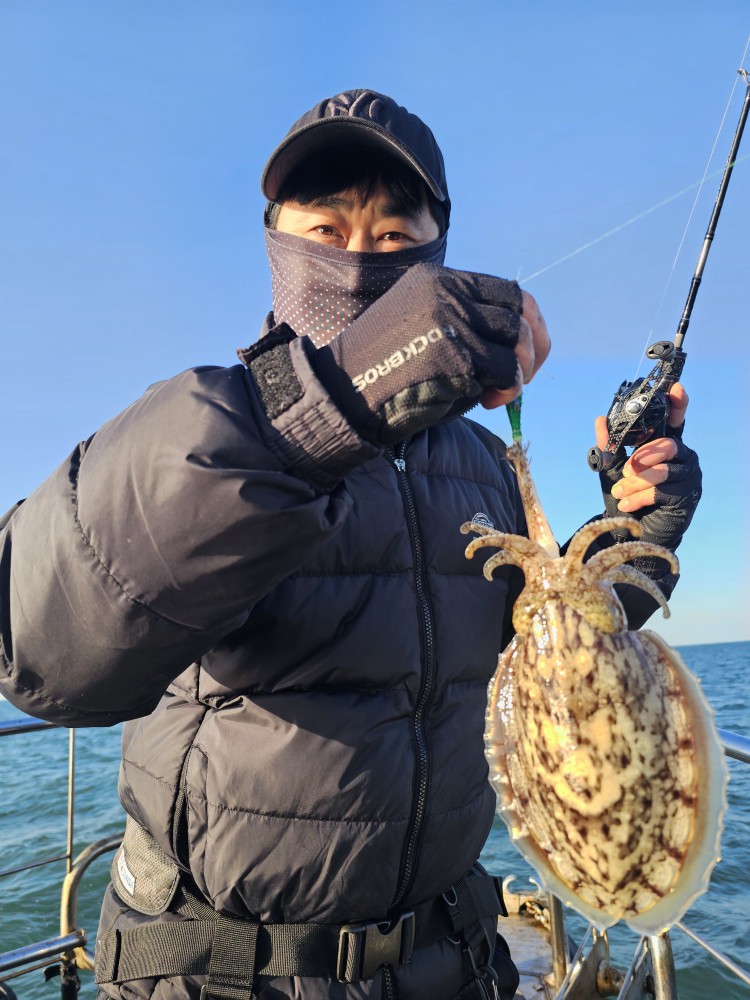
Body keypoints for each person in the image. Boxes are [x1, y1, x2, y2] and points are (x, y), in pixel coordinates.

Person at [0, 89, 701, 1000]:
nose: (360, 258)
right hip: (228, 976)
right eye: (326, 232)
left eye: (395, 235)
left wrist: (640, 526)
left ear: (437, 257)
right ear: (275, 244)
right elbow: (41, 651)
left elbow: (553, 656)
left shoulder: (483, 465)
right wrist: (327, 404)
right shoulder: (213, 437)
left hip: (449, 957)